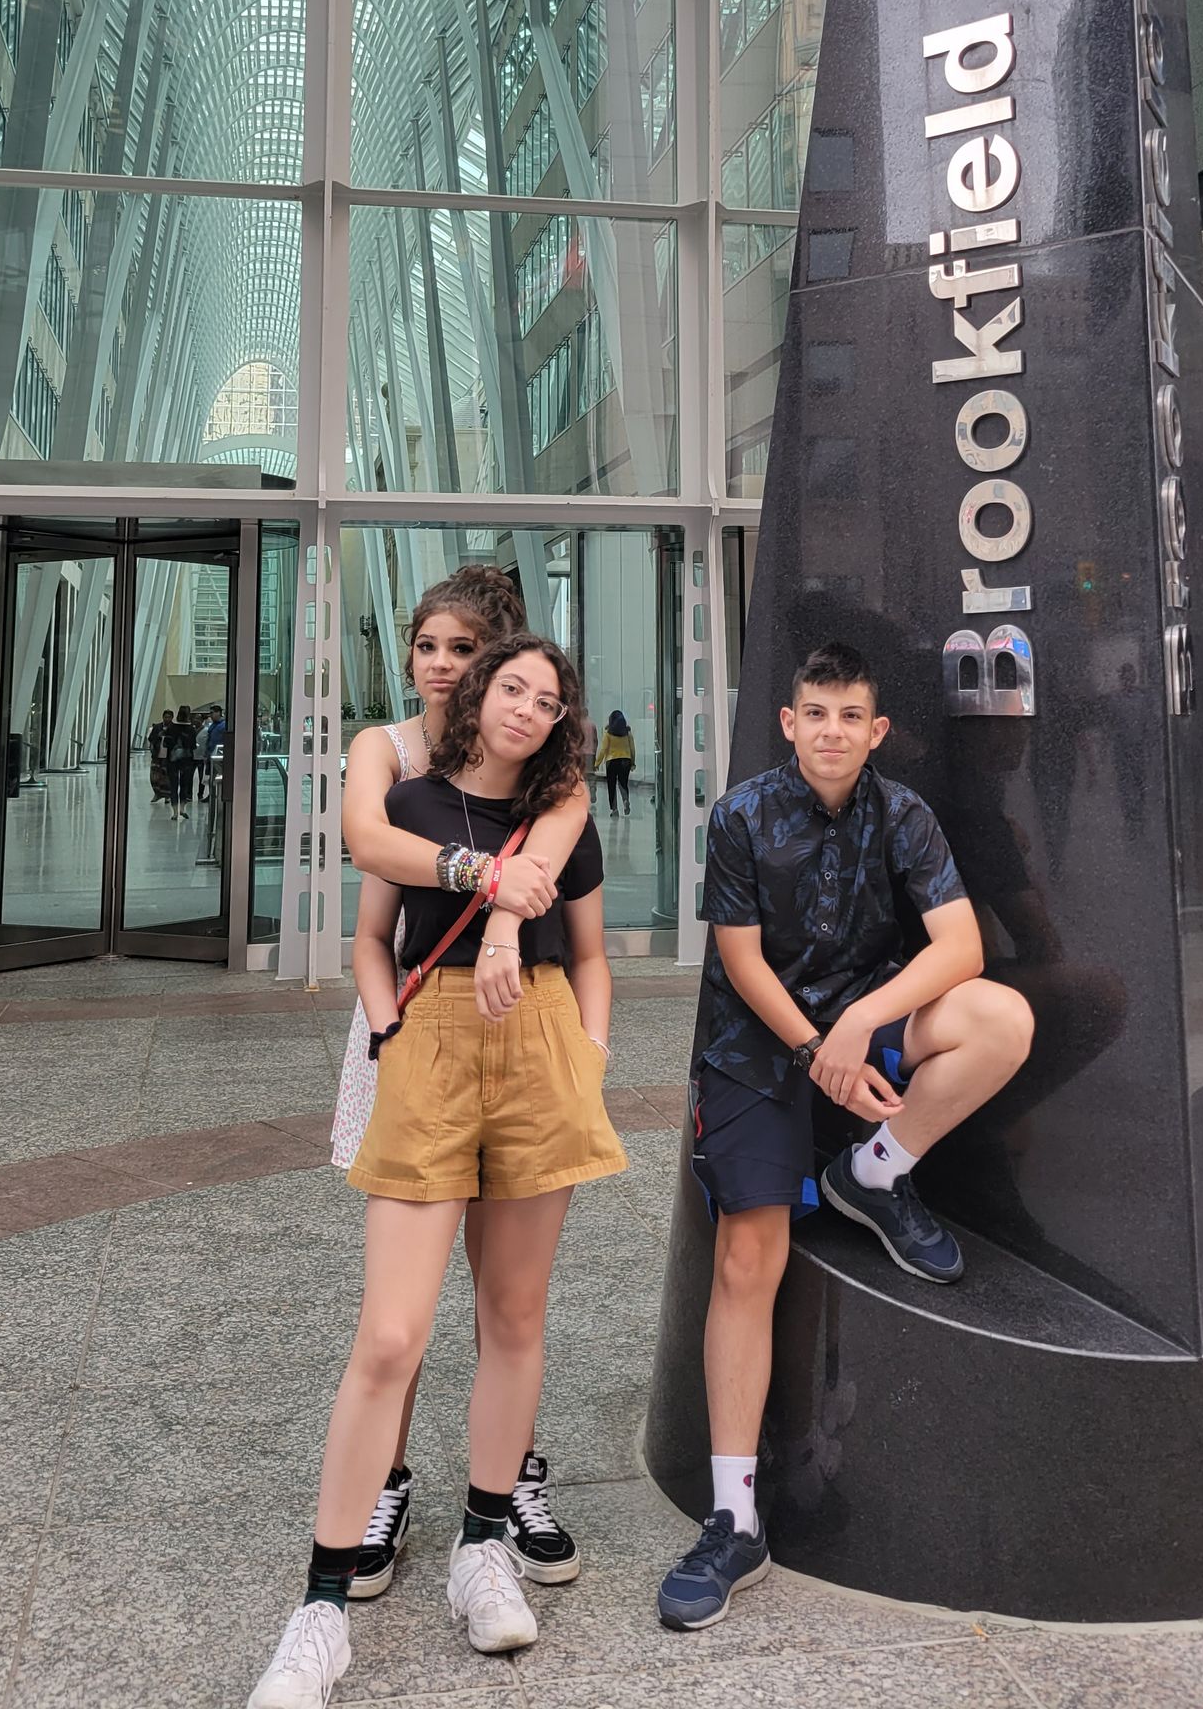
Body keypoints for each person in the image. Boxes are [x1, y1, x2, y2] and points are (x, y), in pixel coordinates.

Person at [248, 632, 624, 1709]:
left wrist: (588, 1059)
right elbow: (377, 933)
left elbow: (592, 955)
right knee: (392, 1333)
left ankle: (481, 1545)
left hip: (540, 1046)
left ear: (559, 719)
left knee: (514, 1316)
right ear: (477, 693)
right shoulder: (414, 804)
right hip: (432, 1045)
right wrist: (390, 1030)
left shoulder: (562, 814)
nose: (524, 707)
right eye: (511, 686)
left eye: (547, 698)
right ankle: (318, 1610)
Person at [656, 641, 1034, 1634]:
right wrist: (818, 1041)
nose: (831, 730)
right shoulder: (739, 815)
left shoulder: (903, 814)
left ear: (877, 730)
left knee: (999, 1018)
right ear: (787, 722)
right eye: (813, 711)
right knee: (750, 1255)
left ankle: (876, 1169)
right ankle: (733, 1519)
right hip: (758, 1050)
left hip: (857, 1037)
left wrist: (862, 1022)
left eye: (848, 715)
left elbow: (961, 947)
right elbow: (738, 959)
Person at [329, 567, 589, 1600]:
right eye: (431, 646)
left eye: (465, 649)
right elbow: (372, 842)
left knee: (506, 1287)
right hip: (409, 1021)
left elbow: (562, 876)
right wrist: (484, 883)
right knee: (404, 1294)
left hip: (515, 1036)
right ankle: (386, 1478)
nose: (445, 665)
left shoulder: (536, 762)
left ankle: (506, 1472)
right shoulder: (385, 751)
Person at [593, 709, 634, 816]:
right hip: (626, 760)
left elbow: (604, 749)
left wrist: (597, 763)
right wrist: (633, 762)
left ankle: (614, 809)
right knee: (623, 783)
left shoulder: (608, 733)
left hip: (611, 761)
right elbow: (632, 748)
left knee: (612, 785)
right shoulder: (628, 733)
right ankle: (625, 800)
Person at [165, 705, 197, 815]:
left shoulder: (171, 728)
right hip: (186, 761)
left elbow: (166, 744)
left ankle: (174, 812)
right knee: (184, 785)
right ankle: (182, 809)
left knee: (173, 785)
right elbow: (193, 746)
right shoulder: (191, 729)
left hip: (172, 760)